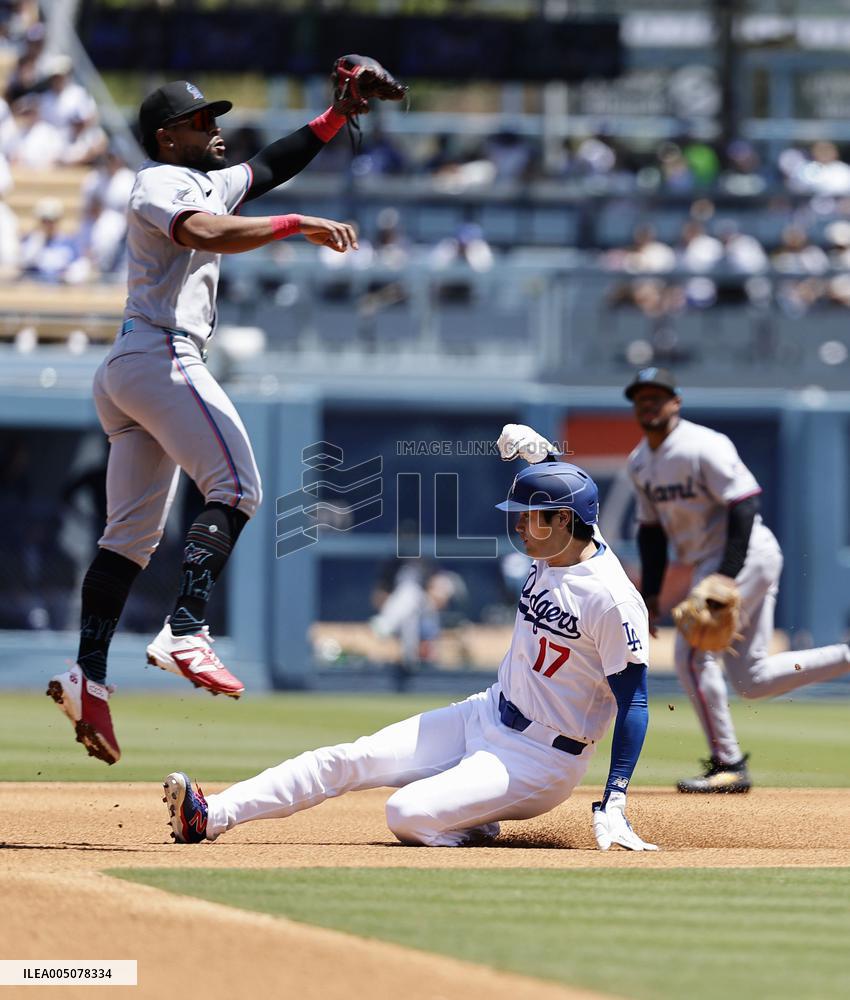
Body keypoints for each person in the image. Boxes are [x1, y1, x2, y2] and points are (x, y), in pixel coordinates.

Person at [46, 77, 365, 765]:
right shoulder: (158, 181)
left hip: (135, 365)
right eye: (198, 121)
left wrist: (335, 115)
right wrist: (296, 225)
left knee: (129, 540)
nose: (213, 127)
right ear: (167, 138)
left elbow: (272, 163)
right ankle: (186, 629)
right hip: (160, 352)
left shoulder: (205, 179)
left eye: (212, 116)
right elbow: (205, 232)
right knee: (239, 487)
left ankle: (87, 677)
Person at [163, 457, 657, 852]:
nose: (520, 526)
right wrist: (541, 454)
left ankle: (470, 821)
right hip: (486, 712)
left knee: (407, 813)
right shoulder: (556, 547)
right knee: (348, 759)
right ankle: (210, 816)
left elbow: (634, 702)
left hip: (541, 759)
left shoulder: (611, 599)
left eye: (530, 516)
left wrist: (614, 797)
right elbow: (568, 494)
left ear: (565, 520)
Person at [623, 367, 850, 791]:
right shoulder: (640, 462)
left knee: (691, 653)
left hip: (744, 554)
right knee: (752, 679)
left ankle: (728, 764)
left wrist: (727, 575)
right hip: (713, 562)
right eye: (641, 398)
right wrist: (651, 596)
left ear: (676, 402)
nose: (648, 404)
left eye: (657, 396)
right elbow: (651, 532)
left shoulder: (703, 445)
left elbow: (744, 505)